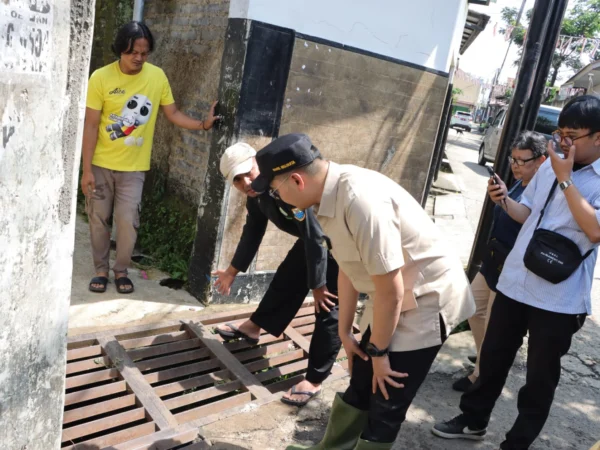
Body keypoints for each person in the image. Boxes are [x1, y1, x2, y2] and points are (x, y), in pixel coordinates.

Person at [251, 133, 475, 450]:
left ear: (297, 181)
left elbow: (391, 291)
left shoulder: (359, 200)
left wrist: (380, 352)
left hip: (427, 297)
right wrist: (346, 332)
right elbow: (347, 267)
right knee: (361, 380)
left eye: (275, 192)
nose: (278, 200)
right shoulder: (326, 197)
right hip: (395, 293)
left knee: (386, 396)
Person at [433, 95, 600, 449]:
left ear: (598, 137)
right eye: (559, 132)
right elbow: (528, 213)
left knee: (540, 379)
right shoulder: (551, 168)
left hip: (559, 297)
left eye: (572, 135)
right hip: (515, 282)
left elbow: (595, 230)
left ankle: (517, 442)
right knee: (492, 358)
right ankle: (473, 420)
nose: (562, 141)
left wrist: (566, 179)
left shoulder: (576, 174)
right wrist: (505, 201)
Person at [82, 21, 220, 294]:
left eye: (144, 53)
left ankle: (120, 269)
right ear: (120, 49)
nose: (139, 58)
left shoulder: (156, 77)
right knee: (98, 218)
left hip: (133, 169)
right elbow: (90, 124)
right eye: (133, 52)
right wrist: (86, 170)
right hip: (100, 165)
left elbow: (173, 114)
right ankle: (101, 269)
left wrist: (202, 125)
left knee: (127, 220)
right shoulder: (100, 77)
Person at [213, 142, 342, 407]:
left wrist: (317, 285)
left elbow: (316, 234)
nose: (246, 182)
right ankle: (253, 327)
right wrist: (231, 271)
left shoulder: (283, 182)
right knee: (286, 279)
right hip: (312, 240)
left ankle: (315, 379)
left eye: (248, 173)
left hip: (339, 239)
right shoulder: (258, 195)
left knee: (328, 306)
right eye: (237, 181)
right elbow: (253, 232)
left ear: (257, 162)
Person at [453, 131, 547, 392]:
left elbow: (526, 220)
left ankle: (480, 375)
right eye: (513, 159)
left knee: (493, 323)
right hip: (495, 259)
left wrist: (504, 200)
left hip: (512, 266)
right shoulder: (519, 182)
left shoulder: (542, 188)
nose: (515, 166)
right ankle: (486, 357)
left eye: (522, 160)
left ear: (541, 160)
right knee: (472, 307)